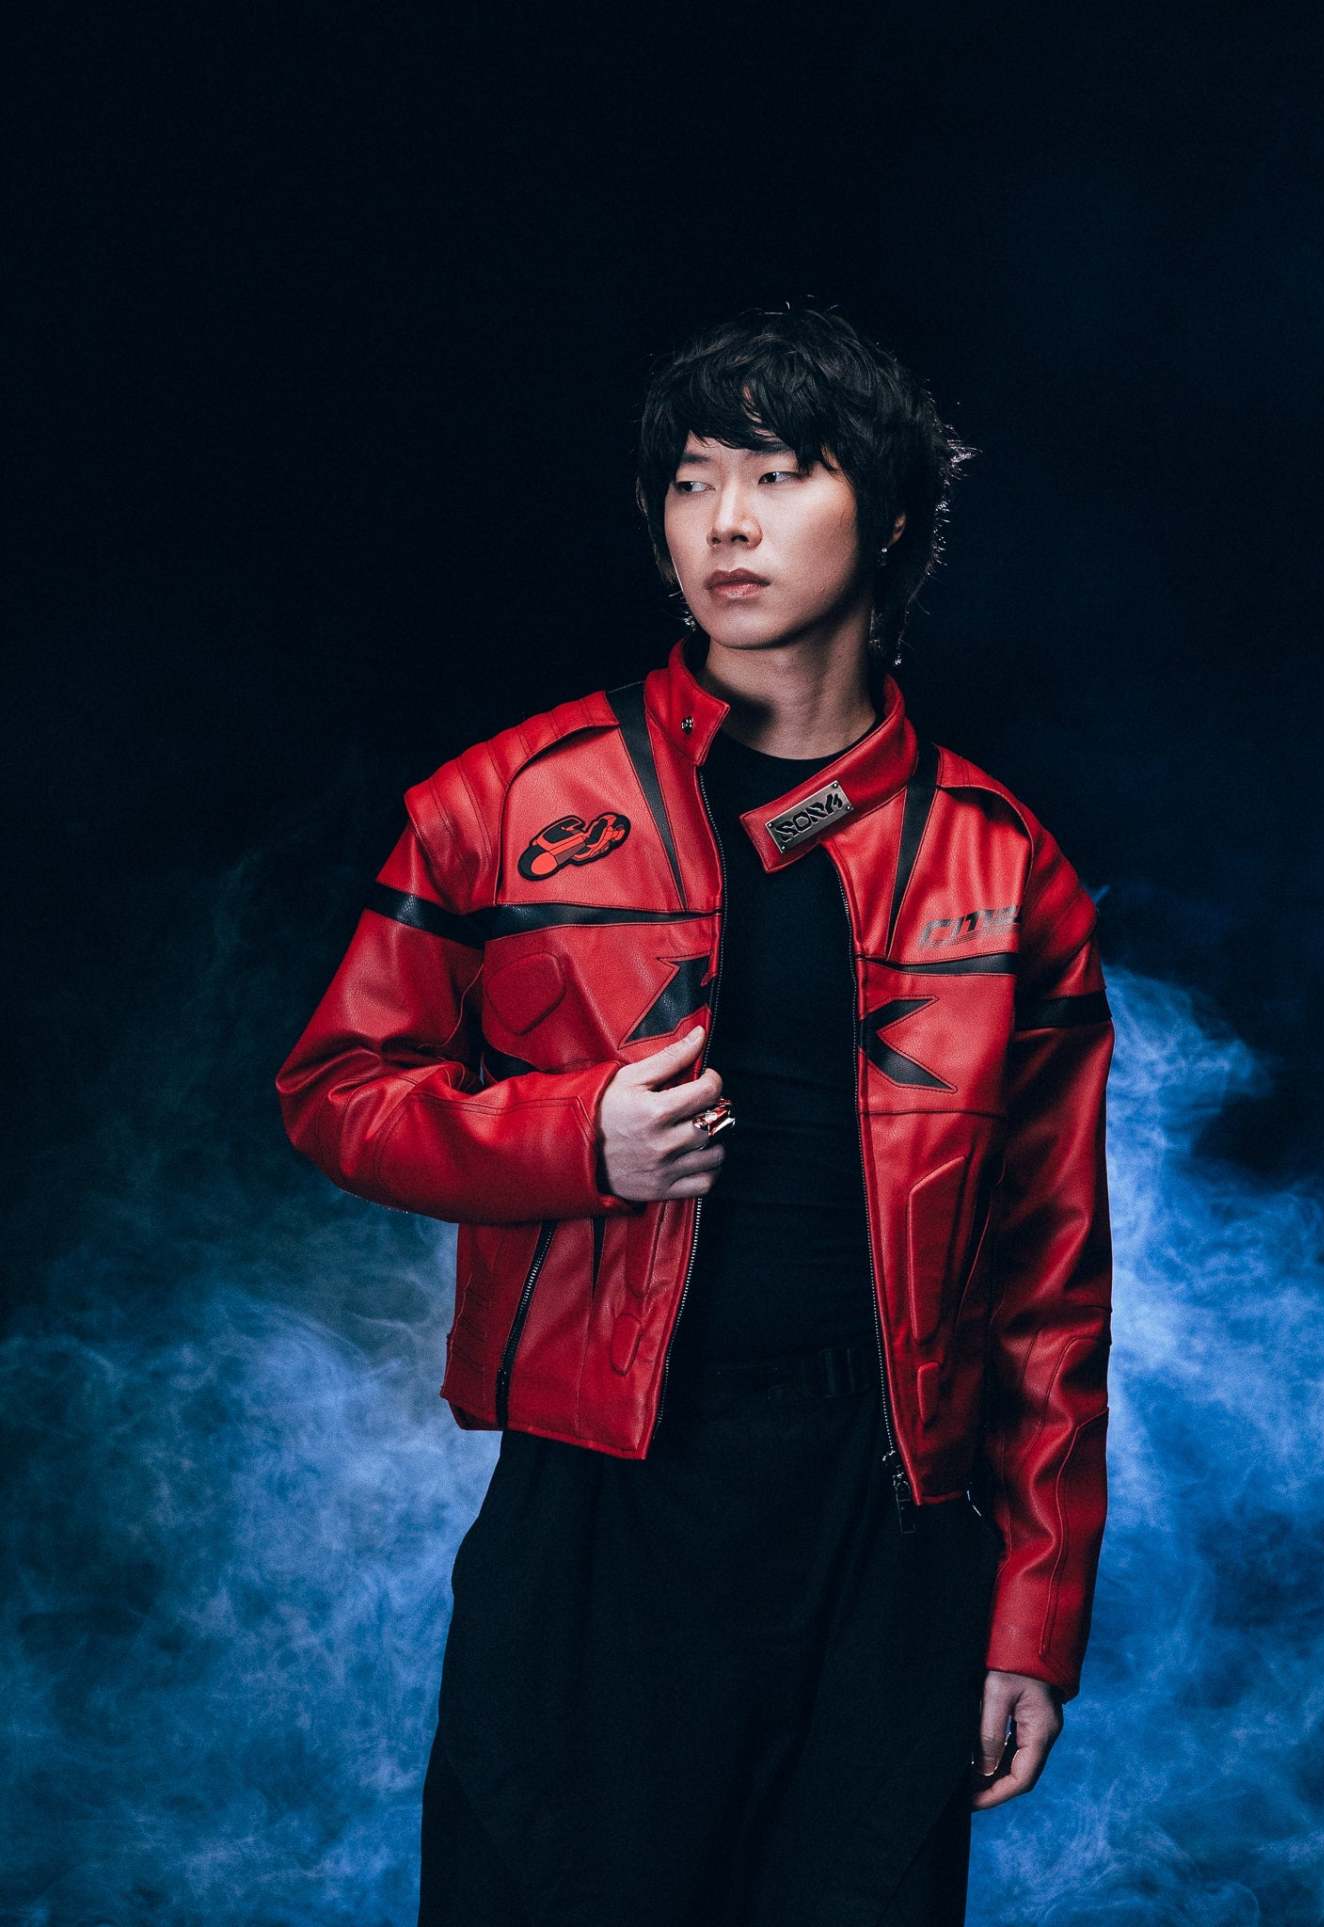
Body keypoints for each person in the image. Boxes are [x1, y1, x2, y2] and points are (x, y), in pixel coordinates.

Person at [275, 303, 1116, 1925]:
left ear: (887, 515)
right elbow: (334, 1091)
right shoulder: (506, 801)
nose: (725, 522)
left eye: (778, 475)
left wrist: (1028, 1617)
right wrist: (568, 1142)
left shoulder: (1006, 864)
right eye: (689, 481)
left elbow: (1048, 1286)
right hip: (600, 1501)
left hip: (885, 1517)